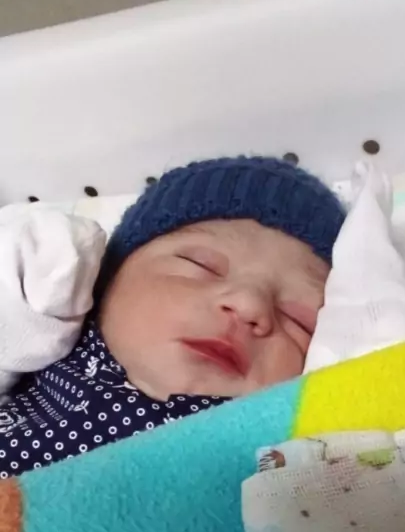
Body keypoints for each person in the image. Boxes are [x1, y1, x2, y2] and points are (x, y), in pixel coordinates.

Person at [0, 156, 344, 478]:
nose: (248, 304)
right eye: (201, 265)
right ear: (107, 280)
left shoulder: (284, 452)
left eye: (298, 318)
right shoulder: (37, 351)